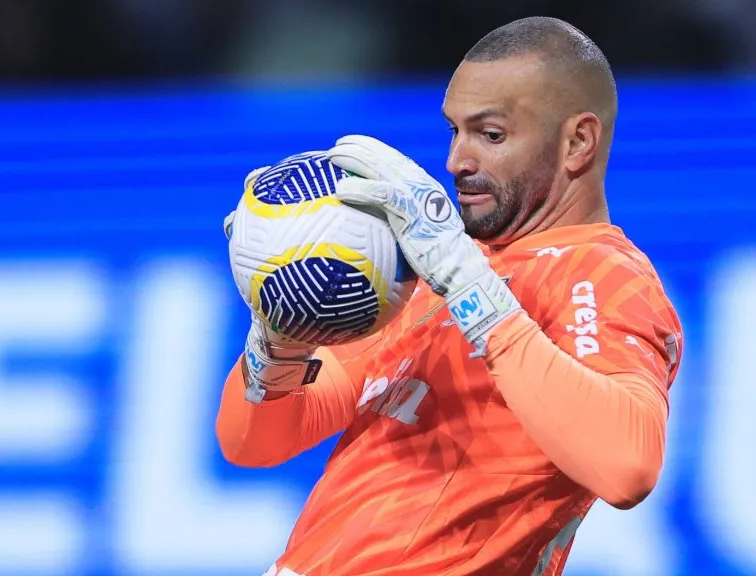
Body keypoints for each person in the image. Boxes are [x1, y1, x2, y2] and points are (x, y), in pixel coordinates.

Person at [216, 16, 683, 576]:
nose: (457, 161)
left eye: (491, 135)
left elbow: (626, 467)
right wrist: (280, 341)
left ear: (577, 141)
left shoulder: (606, 276)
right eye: (454, 131)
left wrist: (468, 286)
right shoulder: (422, 274)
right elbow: (254, 443)